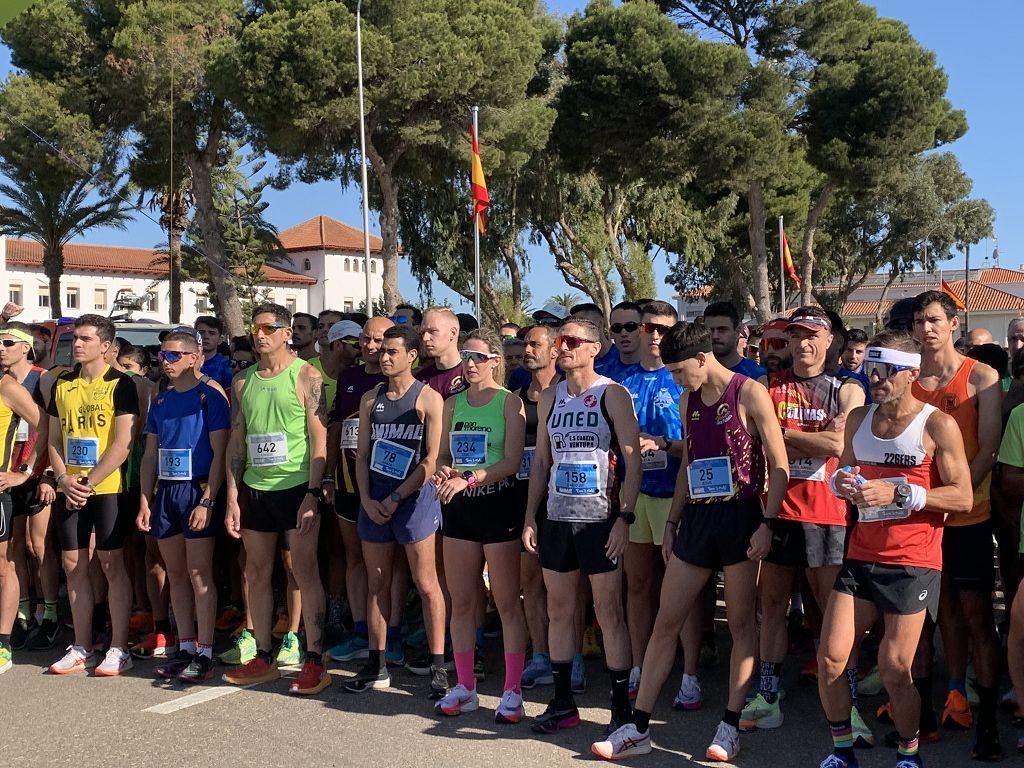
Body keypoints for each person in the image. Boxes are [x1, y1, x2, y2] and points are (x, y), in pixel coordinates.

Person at [593, 321, 787, 763]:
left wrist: (767, 524)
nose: (677, 379)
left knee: (740, 623)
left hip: (741, 516)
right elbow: (688, 466)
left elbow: (779, 466)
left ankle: (730, 726)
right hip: (697, 518)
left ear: (702, 358)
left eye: (681, 371)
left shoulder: (750, 391)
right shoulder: (687, 400)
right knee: (667, 619)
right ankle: (637, 728)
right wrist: (674, 521)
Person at [816, 330, 973, 768]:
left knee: (893, 668)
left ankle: (909, 754)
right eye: (872, 370)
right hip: (862, 555)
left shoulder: (937, 424)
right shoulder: (857, 419)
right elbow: (845, 473)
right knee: (830, 659)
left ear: (912, 374)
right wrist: (841, 483)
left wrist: (902, 494)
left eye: (886, 371)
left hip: (913, 561)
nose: (877, 379)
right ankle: (842, 751)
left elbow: (962, 497)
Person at [741, 308, 865, 736]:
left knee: (831, 613)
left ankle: (846, 705)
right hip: (775, 510)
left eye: (812, 336)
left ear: (830, 340)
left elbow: (837, 442)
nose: (803, 344)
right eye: (795, 337)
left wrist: (778, 433)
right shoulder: (764, 385)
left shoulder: (846, 389)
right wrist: (790, 437)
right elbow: (752, 435)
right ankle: (769, 694)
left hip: (826, 513)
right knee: (771, 606)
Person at [522, 316, 641, 736]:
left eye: (572, 340)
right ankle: (562, 702)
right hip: (557, 517)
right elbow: (541, 461)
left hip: (599, 519)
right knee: (559, 610)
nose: (563, 346)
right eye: (560, 340)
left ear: (594, 348)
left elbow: (632, 459)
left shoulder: (612, 394)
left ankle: (620, 709)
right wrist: (530, 517)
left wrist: (624, 517)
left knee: (609, 611)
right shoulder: (550, 397)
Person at [907, 290, 1002, 760]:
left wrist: (955, 500)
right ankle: (925, 715)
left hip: (969, 517)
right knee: (923, 619)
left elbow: (987, 451)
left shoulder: (982, 377)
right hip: (921, 519)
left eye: (934, 320)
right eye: (919, 322)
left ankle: (986, 724)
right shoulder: (907, 382)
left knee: (976, 617)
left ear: (952, 322)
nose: (926, 329)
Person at [222, 303, 331, 695]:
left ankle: (315, 659)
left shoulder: (306, 376)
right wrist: (233, 496)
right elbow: (237, 439)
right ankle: (264, 655)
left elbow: (320, 436)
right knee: (256, 571)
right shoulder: (243, 381)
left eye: (269, 327)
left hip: (296, 486)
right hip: (255, 487)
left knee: (304, 571)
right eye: (256, 328)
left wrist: (314, 492)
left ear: (287, 332)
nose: (260, 334)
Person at [345, 325, 449, 698]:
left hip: (414, 500)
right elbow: (362, 455)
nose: (383, 357)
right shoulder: (371, 400)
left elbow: (433, 459)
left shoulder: (429, 399)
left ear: (411, 356)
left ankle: (438, 666)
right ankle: (376, 663)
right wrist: (368, 498)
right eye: (381, 351)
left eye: (392, 351)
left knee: (426, 583)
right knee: (377, 584)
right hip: (376, 498)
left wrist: (397, 497)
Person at [431, 330, 528, 721]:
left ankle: (512, 690)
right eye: (466, 356)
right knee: (462, 601)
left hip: (497, 504)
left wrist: (470, 478)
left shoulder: (510, 403)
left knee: (505, 602)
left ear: (494, 361)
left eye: (478, 357)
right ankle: (466, 686)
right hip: (460, 509)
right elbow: (440, 454)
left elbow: (512, 460)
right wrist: (443, 471)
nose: (470, 364)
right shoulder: (451, 403)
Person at [46, 315, 139, 677]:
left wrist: (88, 481)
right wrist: (65, 478)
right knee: (73, 565)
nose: (78, 344)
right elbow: (54, 439)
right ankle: (81, 644)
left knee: (111, 563)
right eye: (75, 338)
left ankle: (119, 646)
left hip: (107, 487)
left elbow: (123, 443)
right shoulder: (62, 384)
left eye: (85, 338)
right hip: (69, 485)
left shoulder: (122, 384)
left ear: (106, 346)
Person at [136, 331, 230, 683]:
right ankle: (186, 646)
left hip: (197, 489)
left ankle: (205, 651)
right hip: (167, 493)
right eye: (162, 355)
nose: (165, 361)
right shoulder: (160, 401)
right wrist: (146, 499)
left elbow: (221, 452)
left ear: (193, 357)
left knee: (198, 574)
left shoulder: (210, 397)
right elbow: (149, 456)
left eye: (174, 355)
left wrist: (208, 499)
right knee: (175, 574)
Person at [616, 302, 687, 702]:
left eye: (664, 329)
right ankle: (640, 665)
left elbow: (696, 445)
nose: (655, 336)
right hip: (633, 494)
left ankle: (689, 671)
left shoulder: (682, 376)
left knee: (681, 591)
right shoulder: (620, 379)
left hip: (676, 493)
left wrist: (662, 444)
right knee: (638, 585)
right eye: (649, 328)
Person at [324, 317, 393, 663]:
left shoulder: (395, 379)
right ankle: (361, 632)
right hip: (347, 479)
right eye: (365, 339)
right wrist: (327, 476)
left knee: (388, 565)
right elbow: (335, 428)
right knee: (354, 559)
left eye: (378, 340)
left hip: (386, 482)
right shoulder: (348, 378)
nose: (369, 346)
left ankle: (390, 635)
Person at [0, 324, 49, 674]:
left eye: (7, 342)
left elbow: (44, 425)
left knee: (23, 554)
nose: (1, 348)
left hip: (16, 480)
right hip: (15, 477)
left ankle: (11, 635)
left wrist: (32, 470)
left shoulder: (16, 385)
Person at [517, 325, 559, 690]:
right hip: (525, 499)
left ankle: (571, 657)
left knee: (567, 586)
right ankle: (541, 654)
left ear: (555, 351)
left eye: (535, 344)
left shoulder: (568, 393)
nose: (527, 349)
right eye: (525, 343)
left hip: (565, 501)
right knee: (530, 581)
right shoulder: (516, 397)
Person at [704, 301, 768, 382]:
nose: (715, 336)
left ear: (737, 332)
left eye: (722, 330)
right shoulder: (694, 372)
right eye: (710, 330)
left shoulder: (756, 374)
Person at [310, 320, 362, 419]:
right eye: (357, 345)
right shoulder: (309, 368)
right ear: (338, 345)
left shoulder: (365, 370)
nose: (362, 350)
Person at [416, 308, 467, 398]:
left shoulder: (470, 374)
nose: (425, 338)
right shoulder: (420, 380)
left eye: (432, 331)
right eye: (423, 333)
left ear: (452, 333)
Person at [195, 316, 234, 391]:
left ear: (220, 340)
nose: (206, 336)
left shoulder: (226, 367)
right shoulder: (184, 361)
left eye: (212, 333)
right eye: (201, 332)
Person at [606, 301, 643, 378]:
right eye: (617, 328)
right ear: (611, 333)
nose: (623, 334)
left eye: (630, 326)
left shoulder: (668, 372)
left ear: (642, 329)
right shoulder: (601, 374)